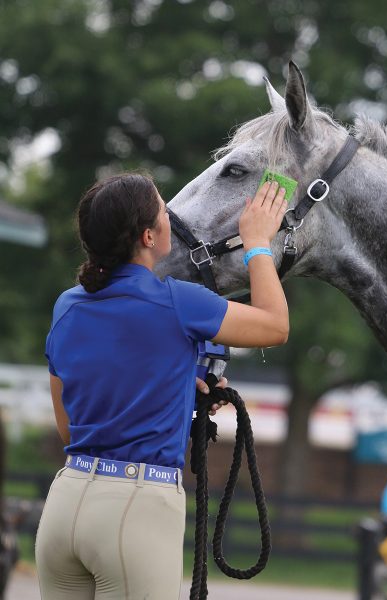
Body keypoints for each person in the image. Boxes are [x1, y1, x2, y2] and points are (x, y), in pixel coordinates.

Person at [35, 172, 289, 599]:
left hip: (64, 505)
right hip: (134, 508)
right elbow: (275, 325)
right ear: (149, 237)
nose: (172, 216)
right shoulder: (178, 301)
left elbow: (71, 430)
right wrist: (257, 242)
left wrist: (165, 391)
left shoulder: (67, 306)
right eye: (164, 209)